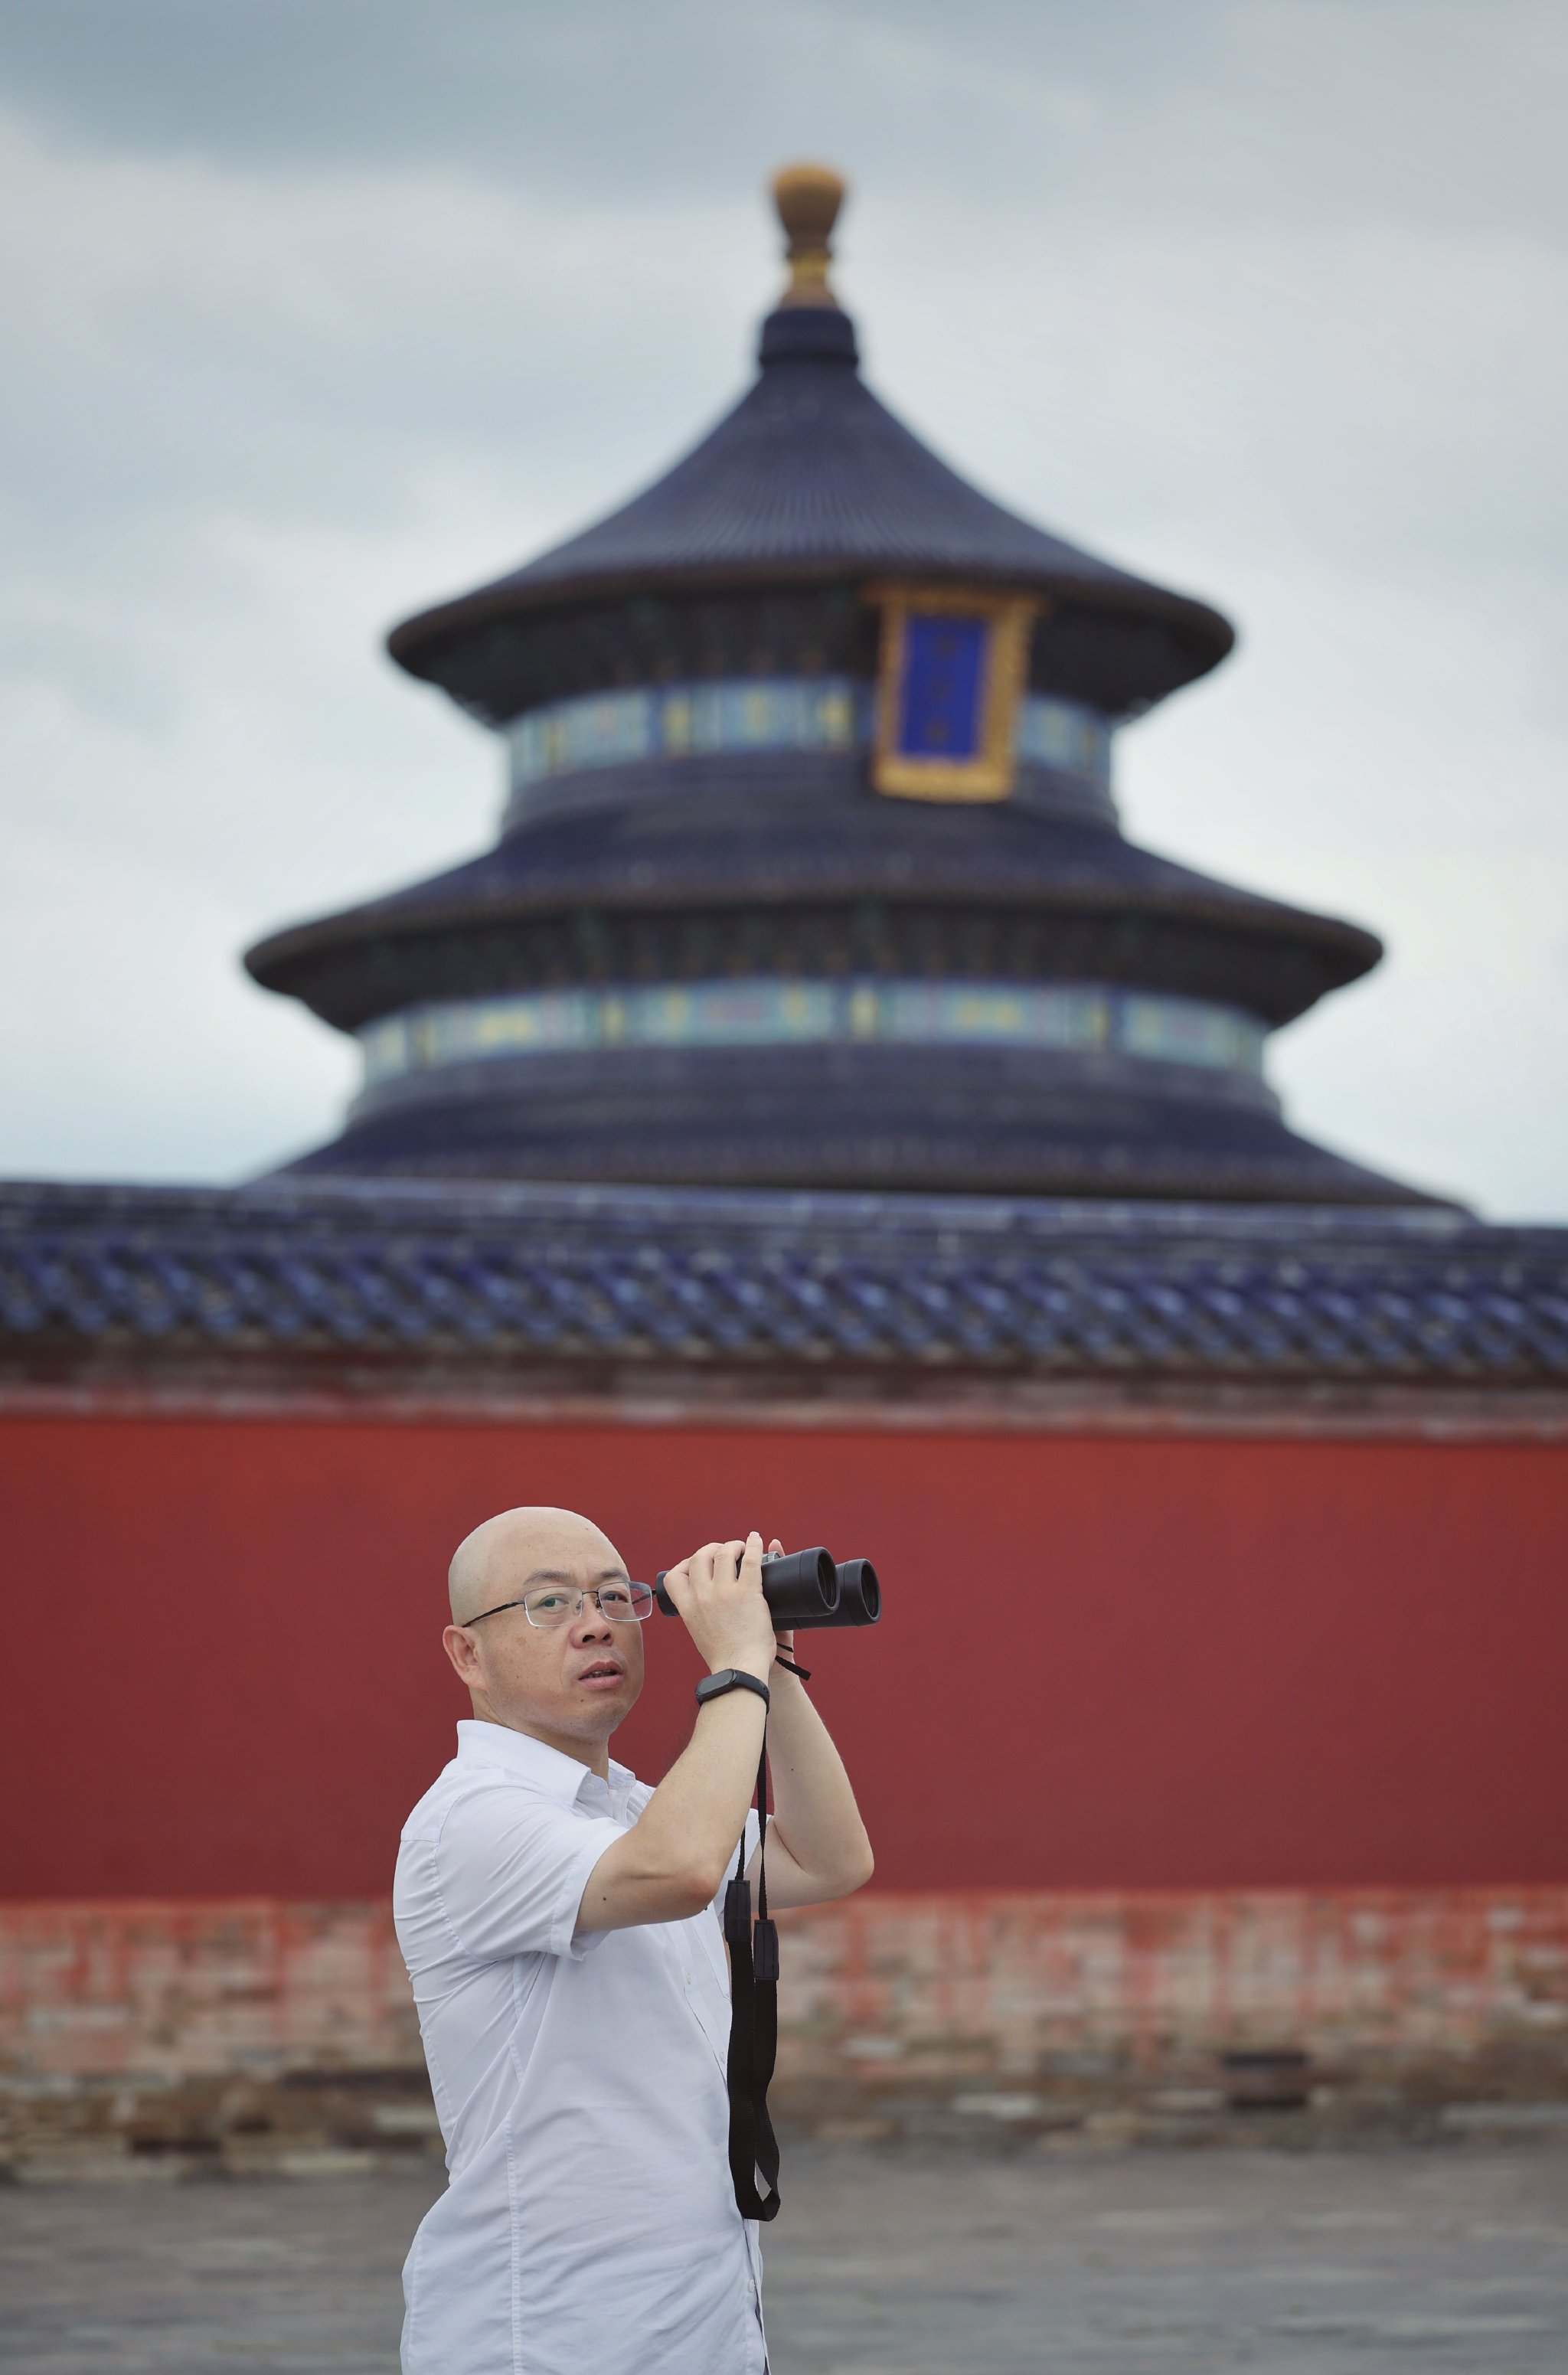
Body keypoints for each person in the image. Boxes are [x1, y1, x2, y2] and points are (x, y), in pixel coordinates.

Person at [394, 1506, 874, 2375]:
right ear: (466, 1654)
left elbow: (827, 1858)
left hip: (703, 2327)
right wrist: (734, 1666)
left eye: (617, 1598)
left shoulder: (630, 1809)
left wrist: (775, 1659)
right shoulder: (469, 1819)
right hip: (550, 2336)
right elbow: (683, 1869)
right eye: (549, 1605)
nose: (594, 1624)